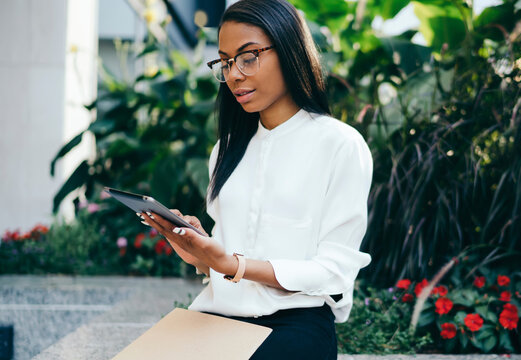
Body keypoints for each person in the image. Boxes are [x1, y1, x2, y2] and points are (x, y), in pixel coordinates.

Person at [142, 0, 373, 358]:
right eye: (225, 61)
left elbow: (333, 273)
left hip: (295, 326)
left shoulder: (340, 145)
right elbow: (224, 259)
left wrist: (233, 265)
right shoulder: (226, 150)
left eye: (248, 57)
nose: (234, 74)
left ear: (290, 50)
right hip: (216, 320)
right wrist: (198, 251)